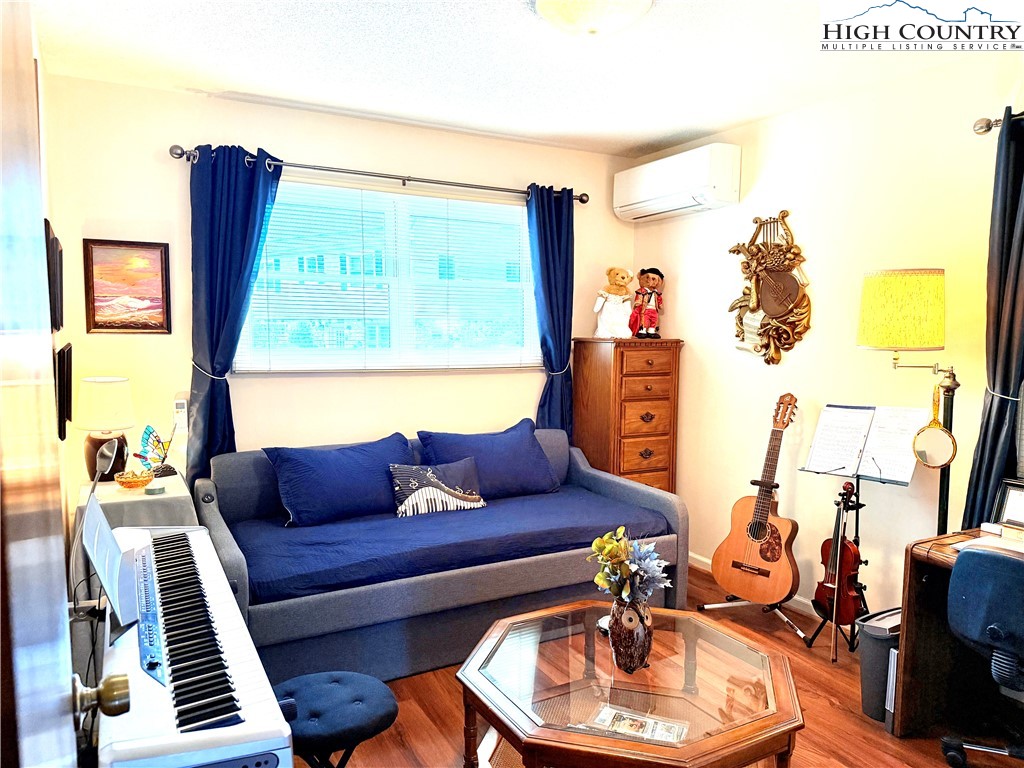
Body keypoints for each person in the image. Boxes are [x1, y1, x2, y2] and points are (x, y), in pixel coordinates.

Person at [629, 267, 664, 339]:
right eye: (653, 279)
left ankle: (651, 331)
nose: (654, 282)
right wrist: (638, 302)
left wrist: (660, 304)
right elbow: (639, 297)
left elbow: (659, 299)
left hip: (654, 310)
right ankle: (643, 330)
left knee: (654, 319)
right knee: (644, 320)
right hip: (645, 309)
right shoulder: (642, 291)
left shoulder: (656, 292)